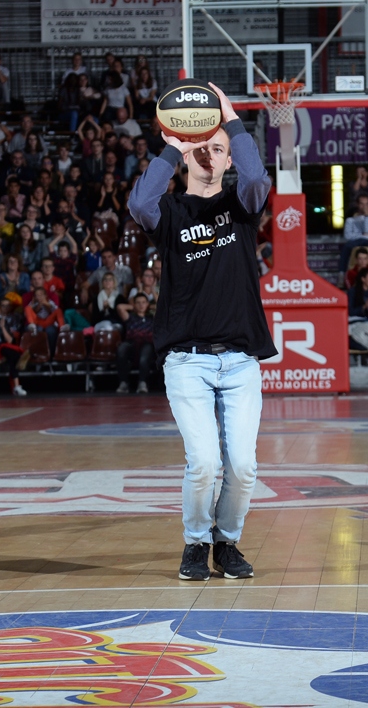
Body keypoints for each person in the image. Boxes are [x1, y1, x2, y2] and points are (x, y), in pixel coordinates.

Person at [128, 83, 273, 583]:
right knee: (204, 463)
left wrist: (230, 120)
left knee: (245, 467)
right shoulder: (169, 214)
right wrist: (175, 144)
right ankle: (195, 543)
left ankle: (226, 543)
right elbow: (140, 201)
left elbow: (257, 174)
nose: (210, 156)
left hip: (239, 361)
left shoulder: (242, 206)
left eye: (218, 150)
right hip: (187, 361)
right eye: (201, 149)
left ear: (229, 160)